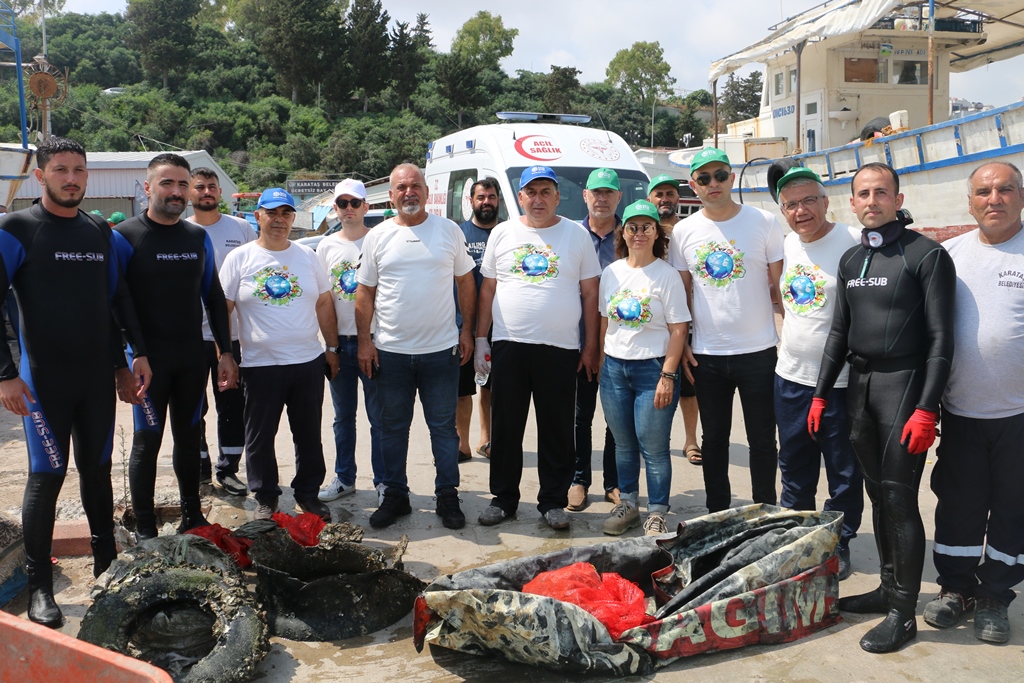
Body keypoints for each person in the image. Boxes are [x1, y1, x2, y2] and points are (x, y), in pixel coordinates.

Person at [0, 137, 151, 627]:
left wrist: (130, 360)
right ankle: (41, 586)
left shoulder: (97, 231)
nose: (72, 178)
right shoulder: (17, 229)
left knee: (98, 469)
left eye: (79, 170)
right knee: (47, 477)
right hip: (42, 379)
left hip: (93, 378)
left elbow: (116, 302)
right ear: (40, 175)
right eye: (61, 169)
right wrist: (4, 377)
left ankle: (107, 565)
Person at [811, 162, 955, 653]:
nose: (871, 201)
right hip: (861, 388)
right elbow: (837, 332)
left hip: (904, 385)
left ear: (897, 198)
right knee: (877, 495)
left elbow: (940, 340)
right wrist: (819, 391)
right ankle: (887, 589)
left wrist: (927, 408)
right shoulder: (852, 260)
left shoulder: (926, 255)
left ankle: (903, 611)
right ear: (851, 202)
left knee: (899, 498)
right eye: (862, 194)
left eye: (881, 193)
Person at [112, 154, 238, 541]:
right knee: (147, 441)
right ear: (148, 188)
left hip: (189, 358)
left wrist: (226, 352)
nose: (177, 191)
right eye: (167, 183)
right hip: (147, 360)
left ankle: (192, 515)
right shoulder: (126, 236)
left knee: (188, 436)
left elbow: (214, 297)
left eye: (183, 184)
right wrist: (132, 355)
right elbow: (116, 300)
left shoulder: (196, 237)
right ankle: (147, 528)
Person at [924, 161, 1024, 644]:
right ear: (970, 203)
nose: (994, 199)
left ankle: (995, 597)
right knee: (958, 506)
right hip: (961, 412)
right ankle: (956, 588)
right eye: (983, 191)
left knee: (1013, 509)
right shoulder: (950, 254)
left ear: (1021, 197)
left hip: (1019, 416)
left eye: (1005, 189)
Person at [475, 165, 601, 531]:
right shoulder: (502, 233)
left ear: (558, 197)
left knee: (557, 428)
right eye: (531, 192)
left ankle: (552, 502)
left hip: (560, 348)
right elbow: (488, 289)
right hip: (509, 345)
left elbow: (591, 292)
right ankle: (503, 499)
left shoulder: (575, 235)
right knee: (506, 427)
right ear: (520, 198)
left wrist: (591, 345)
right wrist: (482, 337)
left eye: (546, 191)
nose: (538, 199)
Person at [356, 164, 476, 530]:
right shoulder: (377, 237)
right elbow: (365, 292)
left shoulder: (448, 230)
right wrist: (365, 341)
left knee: (443, 429)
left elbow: (466, 283)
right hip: (390, 352)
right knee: (392, 428)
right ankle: (395, 495)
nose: (409, 192)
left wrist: (467, 330)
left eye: (415, 186)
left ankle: (447, 495)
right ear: (390, 195)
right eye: (401, 187)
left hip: (441, 352)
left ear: (427, 191)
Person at [668, 148, 784, 513]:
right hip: (708, 354)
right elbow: (681, 293)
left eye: (720, 175)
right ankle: (717, 512)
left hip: (760, 350)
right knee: (714, 439)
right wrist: (684, 343)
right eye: (703, 179)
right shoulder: (685, 231)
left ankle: (764, 509)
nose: (713, 183)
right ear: (693, 186)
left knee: (763, 440)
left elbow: (780, 288)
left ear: (732, 178)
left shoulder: (764, 222)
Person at [220, 188, 337, 521]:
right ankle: (266, 496)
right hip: (260, 365)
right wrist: (224, 354)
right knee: (260, 436)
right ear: (257, 216)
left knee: (308, 434)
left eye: (286, 213)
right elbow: (222, 309)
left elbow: (324, 302)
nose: (279, 220)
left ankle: (308, 494)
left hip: (306, 362)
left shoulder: (306, 256)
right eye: (272, 213)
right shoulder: (239, 258)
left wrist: (331, 348)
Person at [773, 166, 863, 581]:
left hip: (842, 383)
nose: (801, 210)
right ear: (783, 212)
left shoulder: (851, 241)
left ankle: (838, 541)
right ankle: (797, 536)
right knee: (793, 463)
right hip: (791, 376)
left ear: (827, 202)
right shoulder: (788, 243)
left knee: (844, 469)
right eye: (791, 204)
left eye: (810, 200)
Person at [598, 200, 689, 536]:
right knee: (623, 444)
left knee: (653, 447)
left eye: (646, 227)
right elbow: (605, 322)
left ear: (657, 233)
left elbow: (679, 329)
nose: (638, 233)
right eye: (632, 227)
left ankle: (657, 511)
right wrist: (602, 362)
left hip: (653, 371)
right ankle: (629, 504)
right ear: (624, 232)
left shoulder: (666, 276)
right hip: (614, 371)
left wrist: (667, 374)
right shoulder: (611, 272)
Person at [186, 166, 256, 496]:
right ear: (189, 192)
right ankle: (199, 471)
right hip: (189, 337)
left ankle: (228, 470)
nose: (206, 192)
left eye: (212, 186)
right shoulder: (179, 230)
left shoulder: (241, 228)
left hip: (232, 336)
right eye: (199, 187)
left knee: (232, 405)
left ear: (220, 192)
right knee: (192, 406)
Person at [317, 178, 384, 504]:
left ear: (365, 207)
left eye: (354, 203)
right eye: (342, 204)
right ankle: (345, 478)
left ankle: (384, 481)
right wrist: (330, 346)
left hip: (373, 341)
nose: (348, 209)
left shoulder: (379, 240)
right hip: (340, 344)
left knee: (379, 417)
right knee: (343, 417)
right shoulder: (327, 247)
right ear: (335, 209)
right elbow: (324, 300)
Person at [567, 168, 620, 512]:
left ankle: (614, 483)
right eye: (595, 192)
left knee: (616, 419)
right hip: (577, 341)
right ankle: (578, 480)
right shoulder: (570, 235)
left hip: (620, 343)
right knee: (579, 417)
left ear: (618, 197)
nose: (601, 199)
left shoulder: (631, 235)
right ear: (585, 195)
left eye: (608, 193)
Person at [648, 173, 702, 464]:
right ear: (649, 200)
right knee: (653, 384)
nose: (665, 199)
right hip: (651, 321)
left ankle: (691, 440)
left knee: (688, 386)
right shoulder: (643, 230)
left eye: (670, 194)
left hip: (685, 319)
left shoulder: (689, 231)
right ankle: (655, 442)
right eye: (659, 194)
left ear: (678, 198)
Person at [455, 178, 499, 462]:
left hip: (499, 326)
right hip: (461, 325)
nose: (486, 202)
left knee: (491, 388)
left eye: (491, 197)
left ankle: (488, 439)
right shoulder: (457, 233)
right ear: (471, 201)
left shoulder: (508, 232)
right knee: (462, 389)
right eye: (481, 197)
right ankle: (462, 444)